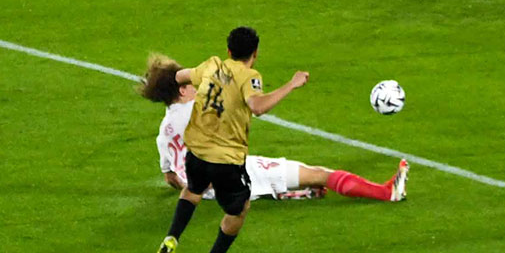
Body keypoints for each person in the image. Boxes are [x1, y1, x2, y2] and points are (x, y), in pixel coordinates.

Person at [148, 27, 310, 253]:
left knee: (192, 190)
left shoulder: (211, 65)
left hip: (197, 151)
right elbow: (258, 107)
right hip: (226, 159)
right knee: (239, 208)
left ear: (228, 50)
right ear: (255, 53)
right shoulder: (249, 76)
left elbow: (178, 76)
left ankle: (171, 238)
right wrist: (292, 84)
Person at [141, 55, 408, 203]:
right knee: (320, 174)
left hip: (210, 187)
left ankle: (291, 192)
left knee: (281, 178)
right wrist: (290, 84)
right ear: (183, 89)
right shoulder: (199, 109)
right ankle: (387, 193)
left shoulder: (164, 132)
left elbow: (171, 178)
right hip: (235, 173)